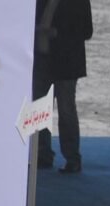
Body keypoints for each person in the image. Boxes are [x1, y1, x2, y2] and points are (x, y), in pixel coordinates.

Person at [33, 0, 93, 173]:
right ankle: (43, 154)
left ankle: (72, 157)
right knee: (41, 110)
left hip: (65, 63)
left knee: (66, 110)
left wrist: (56, 32)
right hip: (43, 60)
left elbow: (86, 31)